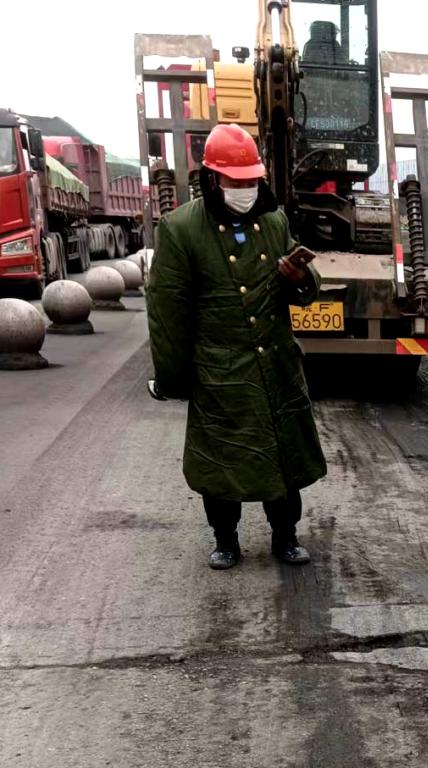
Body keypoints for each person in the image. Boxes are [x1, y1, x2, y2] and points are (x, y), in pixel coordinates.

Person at [147, 123, 327, 570]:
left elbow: (308, 290)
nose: (246, 189)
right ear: (213, 178)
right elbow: (168, 313)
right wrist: (173, 379)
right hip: (220, 370)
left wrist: (300, 278)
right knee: (221, 463)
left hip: (276, 366)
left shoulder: (274, 221)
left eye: (252, 181)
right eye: (236, 181)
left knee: (284, 459)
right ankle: (225, 539)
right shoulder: (181, 228)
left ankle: (285, 536)